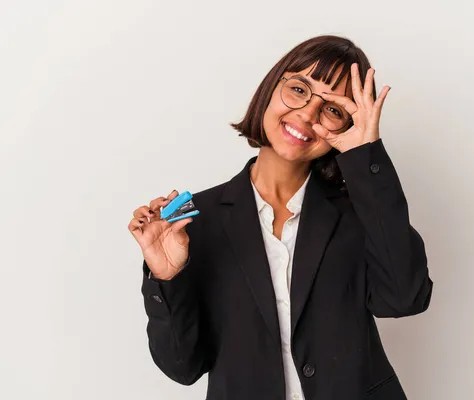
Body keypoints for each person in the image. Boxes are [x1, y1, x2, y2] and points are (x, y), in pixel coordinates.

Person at [128, 35, 433, 400]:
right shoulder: (196, 220)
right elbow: (183, 367)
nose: (307, 114)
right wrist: (167, 277)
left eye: (333, 109)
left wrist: (366, 156)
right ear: (271, 88)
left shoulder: (360, 211)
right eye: (299, 89)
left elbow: (404, 299)